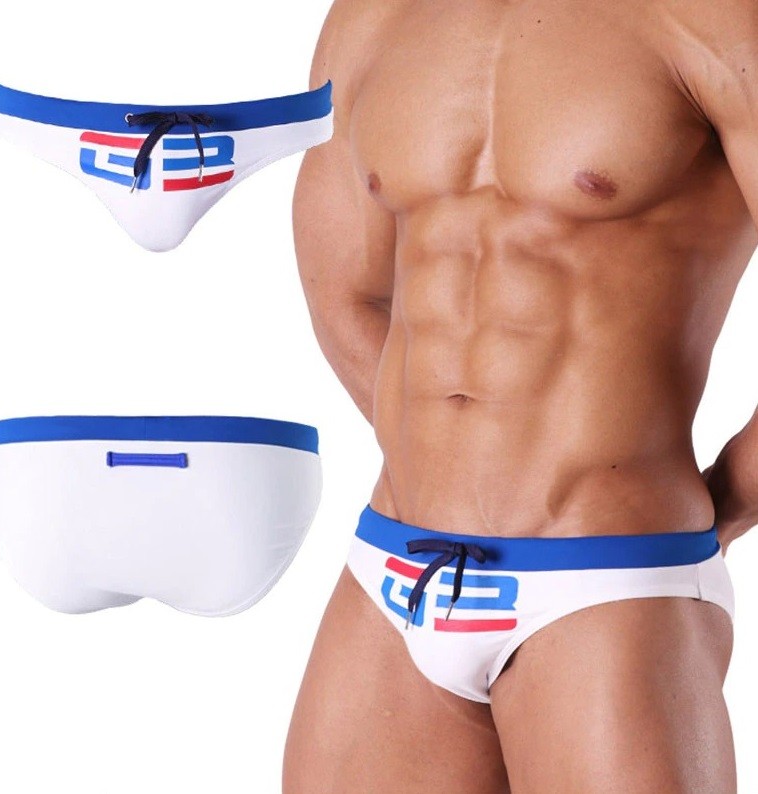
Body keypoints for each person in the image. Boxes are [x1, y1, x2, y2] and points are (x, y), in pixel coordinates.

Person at [283, 1, 758, 791]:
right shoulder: (372, 15)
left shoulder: (712, 17)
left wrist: (733, 501)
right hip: (396, 568)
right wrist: (457, 462)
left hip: (608, 578)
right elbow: (344, 292)